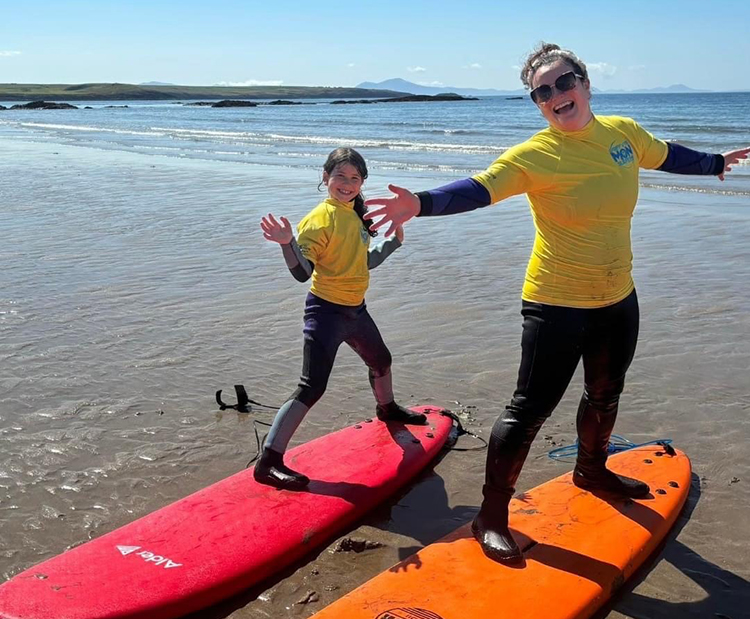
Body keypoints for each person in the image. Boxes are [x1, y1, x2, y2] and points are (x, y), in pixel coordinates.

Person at [364, 43, 750, 565]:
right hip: (555, 302)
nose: (555, 95)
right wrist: (421, 203)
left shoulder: (623, 134)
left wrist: (714, 163)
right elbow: (480, 189)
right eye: (541, 92)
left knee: (605, 394)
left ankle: (592, 469)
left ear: (585, 84)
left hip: (617, 296)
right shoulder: (534, 156)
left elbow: (665, 153)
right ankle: (491, 517)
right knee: (527, 412)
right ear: (538, 104)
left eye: (563, 82)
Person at [255, 147, 426, 490]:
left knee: (381, 360)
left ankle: (387, 409)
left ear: (362, 183)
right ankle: (268, 461)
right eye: (340, 176)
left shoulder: (355, 215)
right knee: (311, 386)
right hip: (326, 314)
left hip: (356, 311)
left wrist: (393, 243)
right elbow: (303, 273)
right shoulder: (321, 219)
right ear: (325, 178)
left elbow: (363, 263)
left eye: (354, 178)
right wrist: (287, 244)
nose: (347, 184)